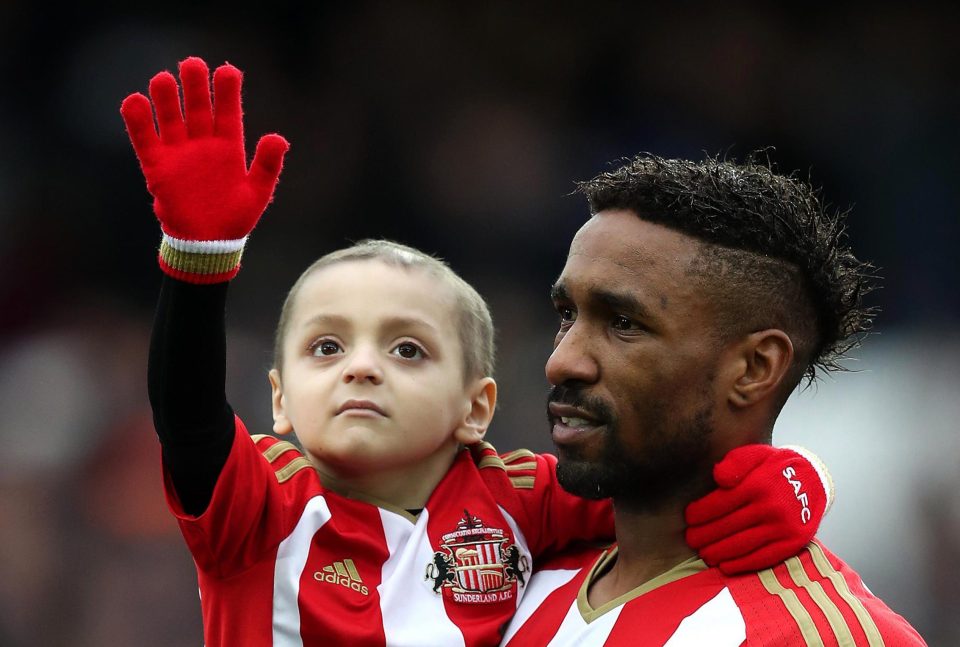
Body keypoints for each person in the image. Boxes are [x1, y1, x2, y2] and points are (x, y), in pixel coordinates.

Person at [121, 57, 835, 646]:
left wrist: (798, 481)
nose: (360, 367)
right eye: (326, 346)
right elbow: (186, 414)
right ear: (279, 397)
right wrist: (198, 263)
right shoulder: (264, 506)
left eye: (407, 349)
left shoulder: (515, 498)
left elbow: (668, 483)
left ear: (476, 404)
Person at [500, 153, 927, 645]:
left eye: (624, 323)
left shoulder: (819, 635)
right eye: (567, 313)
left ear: (754, 368)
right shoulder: (500, 564)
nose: (561, 362)